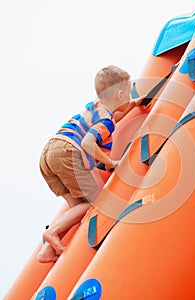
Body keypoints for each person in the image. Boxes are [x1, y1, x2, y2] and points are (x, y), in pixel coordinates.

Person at [38, 65, 143, 263]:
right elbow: (88, 143)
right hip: (69, 152)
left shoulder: (94, 107)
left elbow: (114, 115)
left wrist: (133, 104)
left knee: (77, 206)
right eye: (129, 92)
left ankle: (47, 249)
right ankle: (52, 233)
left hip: (49, 154)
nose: (130, 96)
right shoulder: (106, 120)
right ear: (121, 94)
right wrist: (111, 162)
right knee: (92, 203)